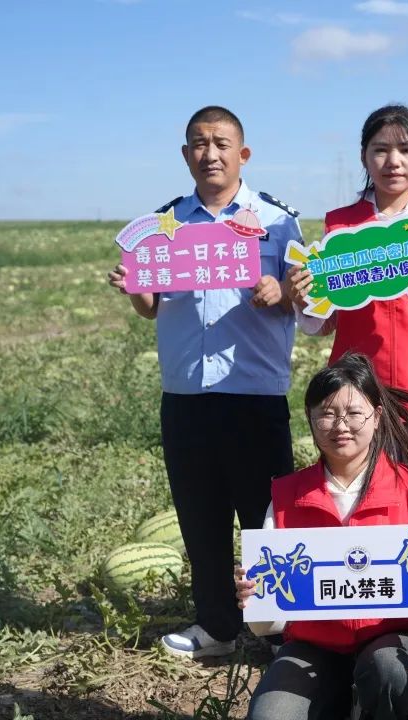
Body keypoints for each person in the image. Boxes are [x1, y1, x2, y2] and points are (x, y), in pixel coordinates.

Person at [285, 104, 408, 668]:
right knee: (364, 505)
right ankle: (369, 617)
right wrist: (302, 297)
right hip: (357, 399)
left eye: (406, 150)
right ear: (365, 158)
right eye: (381, 150)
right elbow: (322, 320)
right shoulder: (341, 223)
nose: (393, 161)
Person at [107, 106, 301, 659]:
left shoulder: (277, 220)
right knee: (200, 514)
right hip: (187, 395)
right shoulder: (163, 224)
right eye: (198, 143)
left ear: (243, 154)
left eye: (221, 143)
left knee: (265, 517)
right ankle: (216, 626)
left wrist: (282, 293)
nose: (209, 153)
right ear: (185, 153)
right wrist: (135, 289)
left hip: (255, 393)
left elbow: (305, 294)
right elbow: (151, 308)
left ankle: (280, 628)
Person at [236, 353, 408, 720]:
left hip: (397, 639)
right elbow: (269, 620)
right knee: (271, 714)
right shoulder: (287, 495)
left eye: (353, 413)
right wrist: (256, 597)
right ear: (311, 422)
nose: (340, 425)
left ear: (377, 418)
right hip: (315, 646)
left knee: (388, 671)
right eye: (326, 414)